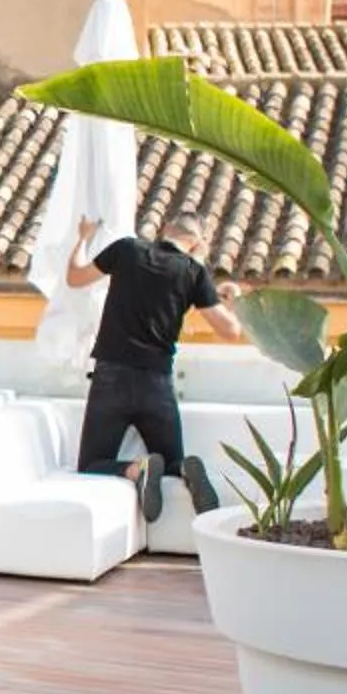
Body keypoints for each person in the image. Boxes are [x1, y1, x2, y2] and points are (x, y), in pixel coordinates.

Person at [66, 212, 248, 521]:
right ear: (197, 242)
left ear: (165, 229)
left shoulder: (126, 249)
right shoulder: (193, 272)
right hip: (157, 384)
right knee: (173, 460)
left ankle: (137, 470)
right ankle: (186, 470)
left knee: (93, 463)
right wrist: (231, 297)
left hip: (111, 378)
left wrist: (83, 237)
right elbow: (230, 331)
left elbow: (75, 278)